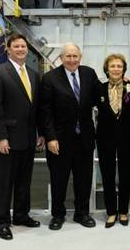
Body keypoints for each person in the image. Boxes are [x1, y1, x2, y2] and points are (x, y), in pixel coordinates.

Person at [0, 33, 44, 240]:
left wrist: (40, 133)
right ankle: (1, 221)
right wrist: (0, 137)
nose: (20, 49)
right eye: (16, 46)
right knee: (3, 182)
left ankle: (21, 215)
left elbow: (35, 108)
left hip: (28, 138)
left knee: (23, 180)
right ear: (8, 49)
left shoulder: (33, 73)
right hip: (7, 139)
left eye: (23, 46)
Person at [39, 43, 100, 230]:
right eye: (68, 56)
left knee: (84, 178)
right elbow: (45, 111)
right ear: (61, 58)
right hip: (59, 139)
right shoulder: (50, 78)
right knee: (59, 179)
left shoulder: (89, 74)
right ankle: (58, 215)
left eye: (75, 56)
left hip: (85, 138)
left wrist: (122, 83)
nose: (72, 60)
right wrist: (50, 137)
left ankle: (82, 213)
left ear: (80, 57)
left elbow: (100, 96)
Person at [96, 54, 130, 228]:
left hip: (127, 137)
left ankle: (124, 211)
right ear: (107, 69)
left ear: (124, 69)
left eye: (119, 66)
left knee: (126, 175)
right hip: (105, 138)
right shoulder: (99, 89)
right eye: (112, 66)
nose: (115, 69)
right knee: (107, 175)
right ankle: (111, 212)